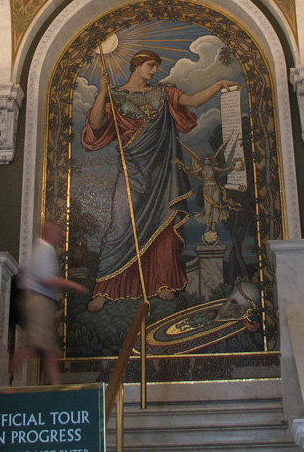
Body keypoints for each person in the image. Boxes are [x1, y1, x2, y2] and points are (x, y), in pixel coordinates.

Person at [82, 49, 239, 311]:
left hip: (162, 172)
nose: (155, 71)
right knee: (120, 225)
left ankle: (163, 281)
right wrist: (102, 93)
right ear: (136, 65)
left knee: (163, 226)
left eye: (156, 66)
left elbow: (193, 101)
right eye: (151, 65)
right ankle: (107, 286)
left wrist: (219, 84)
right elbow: (96, 125)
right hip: (131, 171)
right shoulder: (116, 96)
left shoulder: (164, 93)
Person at [10, 220, 88, 385]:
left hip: (38, 301)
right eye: (58, 233)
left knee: (43, 349)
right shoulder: (44, 250)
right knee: (41, 349)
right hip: (39, 302)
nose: (60, 237)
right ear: (50, 234)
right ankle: (4, 379)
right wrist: (72, 284)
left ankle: (55, 389)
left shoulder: (42, 249)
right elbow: (46, 279)